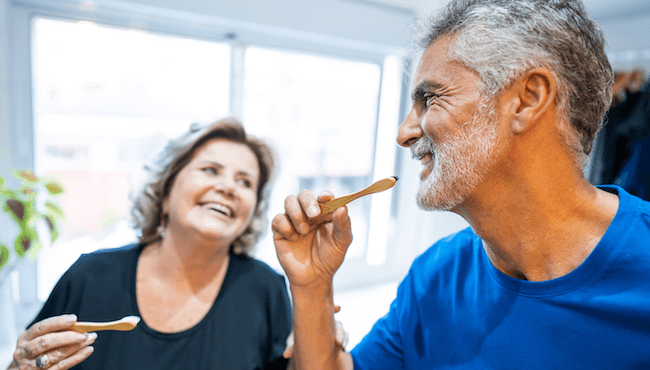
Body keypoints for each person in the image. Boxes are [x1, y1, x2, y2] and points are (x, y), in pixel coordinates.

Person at [271, 0, 650, 369]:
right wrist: (312, 285)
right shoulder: (435, 274)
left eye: (430, 99)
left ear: (527, 100)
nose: (404, 133)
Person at [10, 118, 293, 369]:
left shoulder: (265, 289)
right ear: (166, 191)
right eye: (210, 170)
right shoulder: (90, 276)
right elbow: (28, 360)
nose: (229, 188)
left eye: (245, 182)